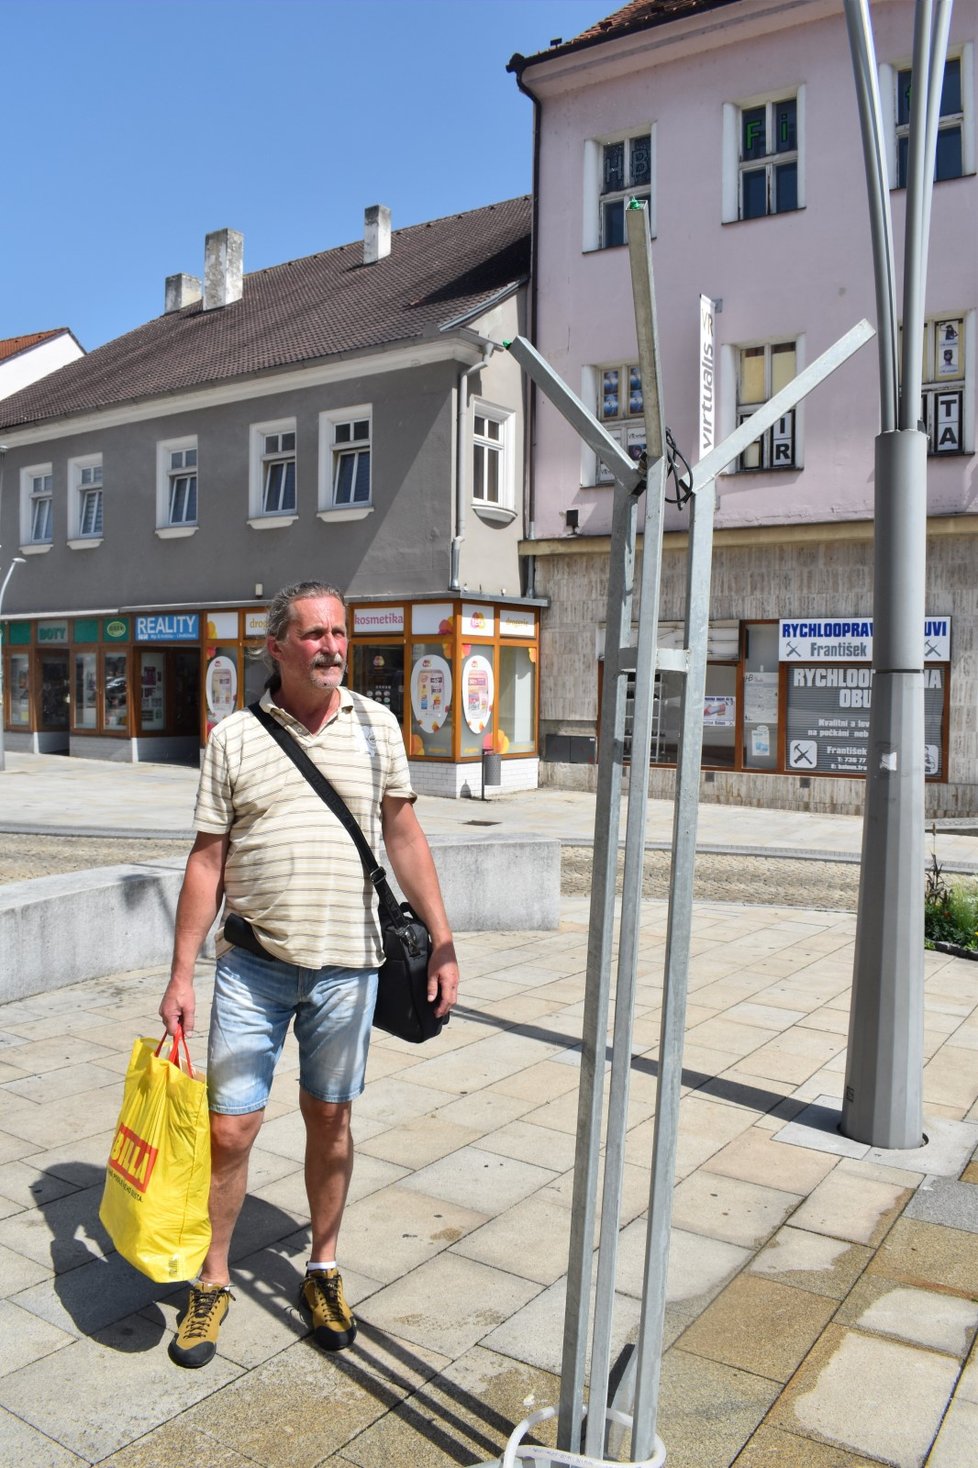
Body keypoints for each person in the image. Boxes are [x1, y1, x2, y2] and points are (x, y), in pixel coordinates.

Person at [159, 580, 459, 1368]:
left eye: (339, 633)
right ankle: (213, 1278)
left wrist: (445, 938)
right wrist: (181, 975)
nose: (332, 646)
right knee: (230, 1130)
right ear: (278, 647)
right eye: (316, 633)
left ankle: (322, 1269)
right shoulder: (233, 739)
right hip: (251, 967)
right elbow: (206, 862)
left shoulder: (377, 728)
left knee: (331, 1120)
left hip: (350, 969)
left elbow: (404, 835)